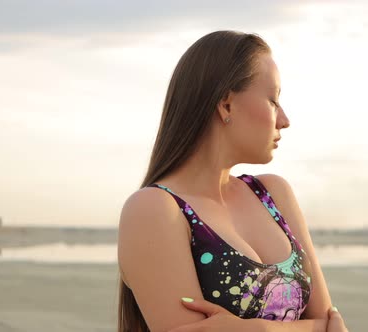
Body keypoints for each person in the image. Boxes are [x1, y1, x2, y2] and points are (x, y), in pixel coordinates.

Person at [117, 30, 349, 332]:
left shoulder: (273, 194)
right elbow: (326, 326)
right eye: (273, 100)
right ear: (226, 105)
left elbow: (334, 324)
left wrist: (254, 329)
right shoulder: (155, 209)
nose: (284, 119)